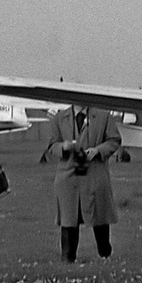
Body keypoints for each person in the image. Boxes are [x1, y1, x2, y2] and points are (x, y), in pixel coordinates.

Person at [43, 105, 122, 262]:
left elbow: (114, 140)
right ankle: (67, 258)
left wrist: (99, 150)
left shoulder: (104, 116)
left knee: (99, 214)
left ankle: (105, 254)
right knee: (69, 218)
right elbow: (51, 145)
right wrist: (63, 147)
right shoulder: (59, 118)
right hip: (68, 176)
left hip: (95, 173)